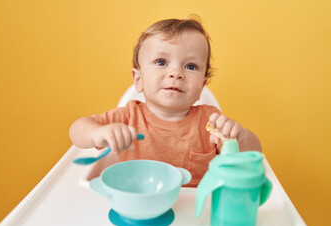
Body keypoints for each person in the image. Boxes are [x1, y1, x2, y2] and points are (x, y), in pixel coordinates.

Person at [69, 15, 262, 187]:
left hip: (194, 211)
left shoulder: (210, 121)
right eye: (161, 62)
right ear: (138, 80)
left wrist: (241, 137)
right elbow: (77, 130)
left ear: (201, 87)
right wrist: (96, 132)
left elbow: (254, 156)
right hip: (138, 201)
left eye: (191, 66)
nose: (176, 73)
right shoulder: (128, 117)